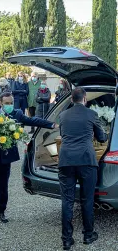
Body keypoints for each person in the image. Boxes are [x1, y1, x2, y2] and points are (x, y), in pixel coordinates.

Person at [0, 92, 58, 224]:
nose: (10, 105)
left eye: (11, 103)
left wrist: (51, 125)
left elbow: (33, 120)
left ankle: (1, 211)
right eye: (7, 103)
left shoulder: (17, 114)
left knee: (3, 186)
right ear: (0, 103)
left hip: (5, 157)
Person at [58, 87, 107, 250]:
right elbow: (101, 138)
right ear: (85, 99)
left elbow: (63, 134)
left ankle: (66, 239)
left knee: (67, 200)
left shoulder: (63, 115)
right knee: (87, 199)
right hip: (86, 161)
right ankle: (88, 235)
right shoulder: (92, 114)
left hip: (66, 161)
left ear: (72, 100)